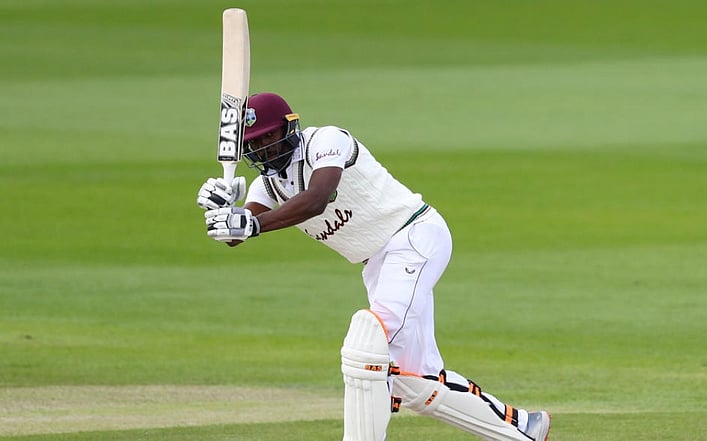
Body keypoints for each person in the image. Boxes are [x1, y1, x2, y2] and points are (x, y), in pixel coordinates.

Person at [197, 92, 550, 441]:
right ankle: (522, 427)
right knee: (413, 379)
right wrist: (224, 211)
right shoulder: (270, 184)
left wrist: (252, 224)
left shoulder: (326, 142)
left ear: (291, 126)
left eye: (269, 137)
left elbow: (317, 198)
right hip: (378, 264)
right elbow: (235, 234)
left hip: (413, 237)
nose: (265, 150)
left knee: (367, 350)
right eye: (255, 144)